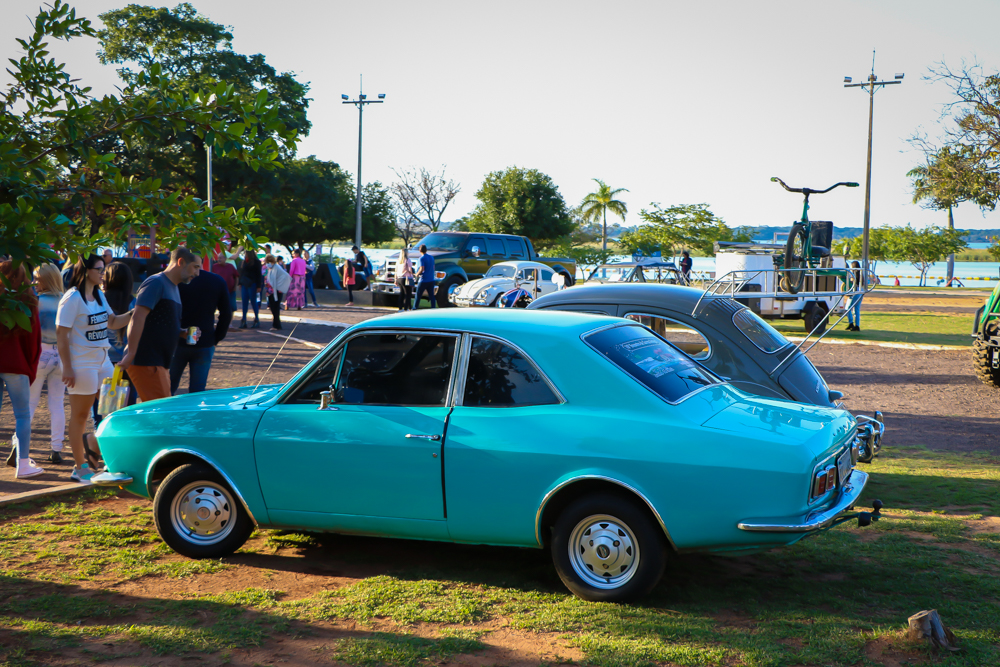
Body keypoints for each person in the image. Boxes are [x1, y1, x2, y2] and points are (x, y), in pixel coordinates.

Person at [56, 255, 132, 482]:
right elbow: (61, 334)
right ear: (86, 270)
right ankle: (79, 467)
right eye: (99, 269)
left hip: (103, 360)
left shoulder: (99, 294)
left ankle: (110, 459)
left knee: (114, 410)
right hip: (81, 363)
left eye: (103, 269)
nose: (103, 273)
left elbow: (113, 322)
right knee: (80, 415)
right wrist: (67, 368)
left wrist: (135, 312)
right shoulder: (72, 298)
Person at [120, 247, 200, 403]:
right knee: (161, 413)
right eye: (195, 267)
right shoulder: (156, 283)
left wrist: (182, 332)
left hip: (158, 362)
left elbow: (159, 322)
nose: (197, 273)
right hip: (147, 361)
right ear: (180, 262)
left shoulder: (173, 286)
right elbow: (137, 317)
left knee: (159, 411)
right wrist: (131, 353)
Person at [14, 263, 66, 464]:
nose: (34, 282)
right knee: (57, 403)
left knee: (29, 403)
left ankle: (18, 448)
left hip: (41, 354)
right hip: (61, 355)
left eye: (37, 279)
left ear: (46, 280)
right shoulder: (66, 300)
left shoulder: (36, 302)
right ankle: (56, 449)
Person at [1, 260, 44, 478]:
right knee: (22, 415)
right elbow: (33, 338)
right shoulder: (28, 300)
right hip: (16, 364)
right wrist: (30, 365)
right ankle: (23, 464)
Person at [170, 267, 232, 394]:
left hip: (177, 340)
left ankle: (165, 407)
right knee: (197, 390)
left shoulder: (176, 280)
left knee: (168, 387)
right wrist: (217, 337)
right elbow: (226, 313)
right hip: (205, 340)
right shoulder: (216, 280)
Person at [101, 261, 137, 410]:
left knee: (102, 401)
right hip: (127, 360)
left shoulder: (99, 301)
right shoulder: (134, 304)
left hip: (103, 359)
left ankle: (100, 424)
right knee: (128, 402)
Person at [264, 254, 290, 329]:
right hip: (271, 291)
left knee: (275, 307)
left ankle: (276, 325)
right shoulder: (271, 268)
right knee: (273, 307)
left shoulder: (276, 268)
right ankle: (276, 324)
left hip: (276, 291)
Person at [238, 249, 263, 329]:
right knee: (244, 302)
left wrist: (259, 286)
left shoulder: (256, 262)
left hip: (252, 283)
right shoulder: (244, 262)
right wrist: (240, 283)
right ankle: (244, 319)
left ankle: (256, 319)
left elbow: (259, 274)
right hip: (244, 283)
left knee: (253, 301)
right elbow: (241, 273)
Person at [414, 244, 437, 309]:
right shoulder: (431, 257)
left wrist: (417, 274)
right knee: (431, 295)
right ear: (426, 250)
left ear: (420, 250)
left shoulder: (421, 258)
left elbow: (422, 269)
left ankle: (415, 307)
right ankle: (433, 308)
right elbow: (433, 267)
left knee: (418, 295)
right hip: (431, 279)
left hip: (423, 280)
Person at [846, 260, 863, 332]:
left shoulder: (853, 275)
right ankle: (857, 325)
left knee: (847, 308)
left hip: (855, 291)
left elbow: (852, 285)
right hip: (861, 291)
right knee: (856, 309)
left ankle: (851, 323)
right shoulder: (861, 274)